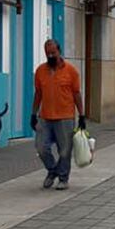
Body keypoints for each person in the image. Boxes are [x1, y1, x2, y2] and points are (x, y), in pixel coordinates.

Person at [31, 39, 85, 190]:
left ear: (59, 51)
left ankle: (63, 178)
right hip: (45, 117)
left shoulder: (71, 71)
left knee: (65, 150)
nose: (50, 56)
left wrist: (81, 116)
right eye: (48, 53)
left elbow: (76, 94)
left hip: (65, 117)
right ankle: (52, 170)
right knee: (41, 148)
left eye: (53, 53)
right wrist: (33, 114)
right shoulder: (40, 71)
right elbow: (38, 94)